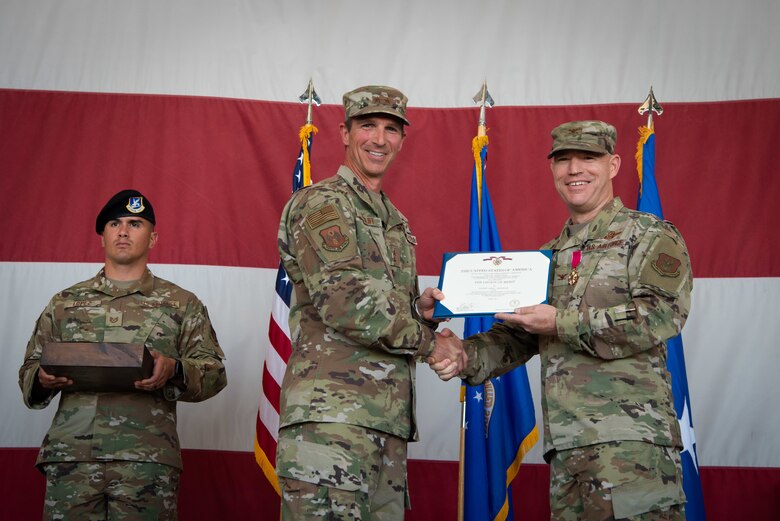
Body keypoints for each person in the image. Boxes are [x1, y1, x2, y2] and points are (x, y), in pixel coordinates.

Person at [431, 121, 692, 520]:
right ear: (552, 170)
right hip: (567, 453)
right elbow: (517, 337)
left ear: (614, 165)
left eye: (588, 158)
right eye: (563, 160)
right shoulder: (545, 258)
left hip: (632, 448)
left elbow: (659, 317)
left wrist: (561, 323)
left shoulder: (649, 236)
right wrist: (463, 354)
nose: (575, 170)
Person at [275, 85, 461, 520]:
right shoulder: (323, 203)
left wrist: (420, 312)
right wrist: (432, 345)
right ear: (344, 132)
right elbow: (344, 300)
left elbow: (375, 301)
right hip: (331, 420)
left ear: (402, 139)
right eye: (368, 126)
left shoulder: (392, 219)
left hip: (384, 421)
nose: (380, 139)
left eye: (391, 129)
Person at [19, 189, 227, 520]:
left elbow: (214, 373)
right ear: (103, 236)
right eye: (115, 223)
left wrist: (173, 368)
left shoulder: (182, 304)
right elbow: (29, 370)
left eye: (135, 223)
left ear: (153, 237)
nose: (124, 231)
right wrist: (42, 378)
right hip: (72, 457)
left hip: (146, 462)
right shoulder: (65, 302)